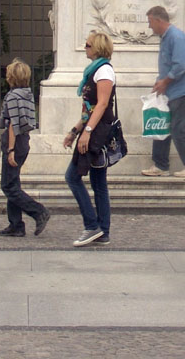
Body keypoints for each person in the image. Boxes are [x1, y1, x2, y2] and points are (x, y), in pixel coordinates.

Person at [64, 31, 116, 247]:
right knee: (98, 182)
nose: (85, 48)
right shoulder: (95, 70)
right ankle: (102, 231)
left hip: (96, 133)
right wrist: (75, 130)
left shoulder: (104, 71)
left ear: (97, 48)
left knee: (73, 177)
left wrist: (87, 131)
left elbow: (102, 104)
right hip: (91, 129)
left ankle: (92, 225)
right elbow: (90, 107)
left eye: (87, 45)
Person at [141, 5, 185, 178]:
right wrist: (160, 83)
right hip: (174, 89)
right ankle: (160, 165)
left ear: (158, 20)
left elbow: (181, 65)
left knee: (177, 127)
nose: (149, 26)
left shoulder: (175, 37)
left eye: (150, 22)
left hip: (183, 90)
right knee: (163, 125)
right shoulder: (168, 37)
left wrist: (165, 81)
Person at [0, 58, 49, 238]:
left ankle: (38, 211)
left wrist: (10, 150)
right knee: (14, 183)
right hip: (24, 141)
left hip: (15, 142)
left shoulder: (12, 96)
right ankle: (16, 224)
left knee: (8, 186)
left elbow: (13, 124)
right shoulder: (27, 94)